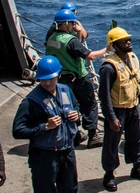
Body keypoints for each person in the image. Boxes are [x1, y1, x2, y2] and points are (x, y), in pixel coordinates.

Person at [11, 56, 93, 193]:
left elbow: (76, 107)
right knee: (45, 191)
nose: (47, 82)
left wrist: (77, 116)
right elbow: (18, 130)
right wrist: (43, 127)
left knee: (70, 184)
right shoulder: (31, 101)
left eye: (51, 78)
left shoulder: (66, 90)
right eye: (43, 79)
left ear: (58, 76)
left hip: (66, 149)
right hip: (45, 154)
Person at [98, 27, 140, 192]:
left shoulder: (134, 58)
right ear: (115, 45)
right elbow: (104, 95)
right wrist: (111, 117)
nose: (128, 43)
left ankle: (137, 167)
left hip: (133, 106)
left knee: (136, 139)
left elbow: (139, 80)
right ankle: (109, 174)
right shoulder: (109, 67)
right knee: (111, 144)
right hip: (117, 109)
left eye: (128, 40)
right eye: (124, 41)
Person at [46, 9, 107, 147]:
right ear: (66, 23)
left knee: (68, 107)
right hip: (78, 77)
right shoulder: (70, 40)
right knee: (89, 104)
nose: (74, 26)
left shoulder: (51, 38)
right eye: (72, 23)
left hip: (61, 80)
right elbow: (90, 55)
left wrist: (78, 33)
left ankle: (75, 135)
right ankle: (93, 136)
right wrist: (106, 50)